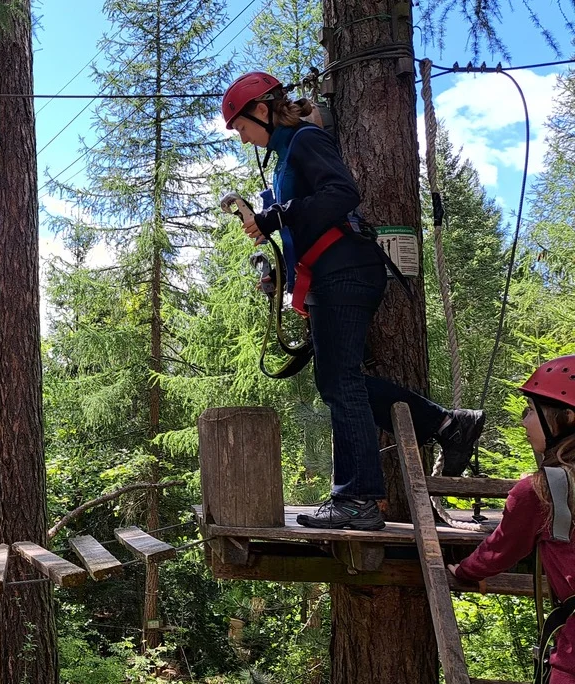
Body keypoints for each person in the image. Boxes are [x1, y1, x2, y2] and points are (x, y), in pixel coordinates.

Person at [221, 71, 485, 530]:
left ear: (261, 111)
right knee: (338, 383)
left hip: (345, 272)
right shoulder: (287, 155)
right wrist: (279, 255)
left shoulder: (304, 140)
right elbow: (303, 216)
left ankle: (359, 498)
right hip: (331, 275)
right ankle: (446, 425)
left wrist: (277, 215)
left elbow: (343, 192)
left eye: (242, 128)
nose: (244, 139)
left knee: (340, 383)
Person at [448, 356, 575, 684]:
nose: (523, 422)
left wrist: (464, 571)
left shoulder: (541, 491)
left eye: (531, 410)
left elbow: (501, 549)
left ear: (565, 419)